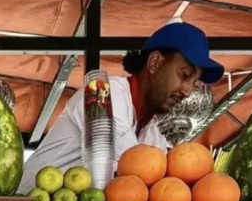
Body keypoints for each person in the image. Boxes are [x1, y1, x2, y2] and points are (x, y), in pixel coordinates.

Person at [20, 21, 225, 190]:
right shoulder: (101, 93)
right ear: (154, 62)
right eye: (185, 75)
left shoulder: (154, 136)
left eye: (194, 83)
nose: (187, 90)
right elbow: (135, 174)